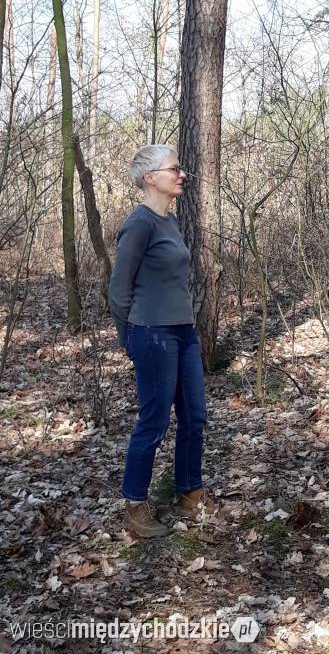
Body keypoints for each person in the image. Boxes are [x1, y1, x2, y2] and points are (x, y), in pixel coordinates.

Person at [109, 145, 214, 538]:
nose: (181, 174)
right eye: (174, 168)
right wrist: (128, 337)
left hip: (183, 332)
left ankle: (189, 493)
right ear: (150, 177)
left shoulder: (170, 220)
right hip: (151, 333)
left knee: (194, 416)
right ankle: (135, 504)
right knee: (153, 422)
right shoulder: (139, 224)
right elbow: (118, 289)